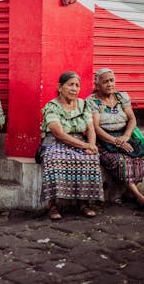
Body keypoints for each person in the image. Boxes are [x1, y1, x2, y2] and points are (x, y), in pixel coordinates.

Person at [38, 71, 103, 220]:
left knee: (90, 158)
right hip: (55, 142)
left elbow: (91, 128)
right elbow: (58, 133)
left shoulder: (83, 104)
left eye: (77, 85)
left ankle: (84, 203)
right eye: (70, 85)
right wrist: (84, 145)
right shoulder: (52, 106)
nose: (74, 88)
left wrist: (91, 145)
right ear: (60, 87)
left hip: (80, 140)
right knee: (54, 159)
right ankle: (52, 205)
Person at [86, 68, 144, 212]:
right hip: (104, 139)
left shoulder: (122, 97)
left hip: (124, 135)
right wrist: (115, 142)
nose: (110, 84)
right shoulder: (92, 101)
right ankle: (137, 194)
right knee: (120, 161)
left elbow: (132, 119)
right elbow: (96, 127)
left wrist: (126, 137)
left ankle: (129, 191)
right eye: (105, 82)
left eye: (112, 80)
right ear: (97, 85)